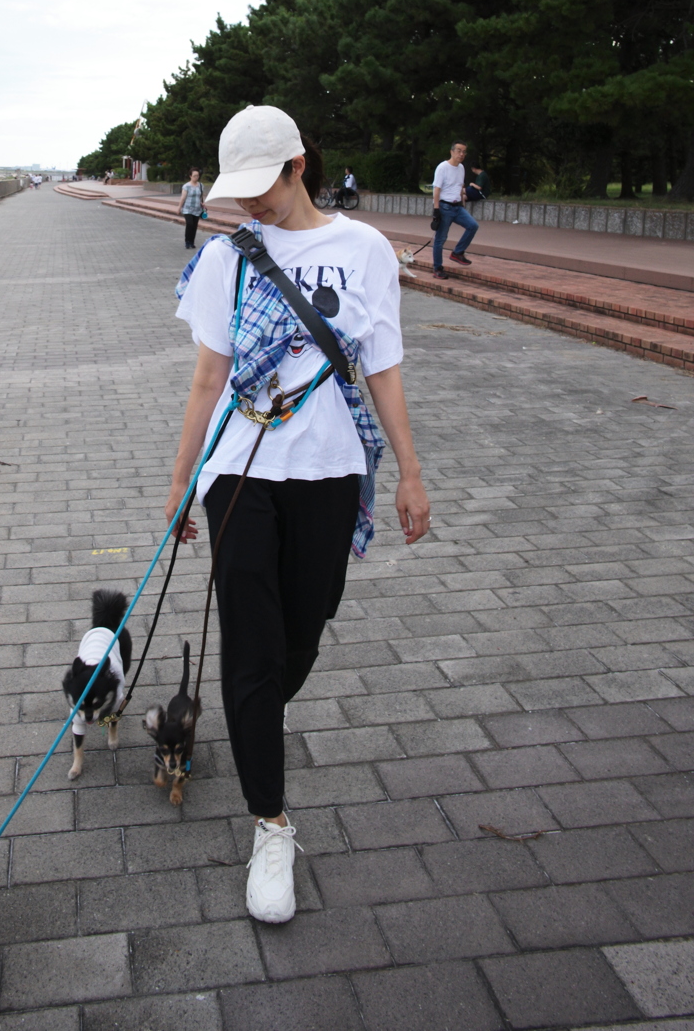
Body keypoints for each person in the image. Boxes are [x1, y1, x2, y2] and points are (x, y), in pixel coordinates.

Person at [168, 105, 430, 926]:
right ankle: (271, 823)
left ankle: (256, 712)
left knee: (303, 632)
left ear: (299, 166)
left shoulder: (363, 252)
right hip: (240, 474)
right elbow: (208, 381)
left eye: (264, 187)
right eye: (236, 191)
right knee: (251, 647)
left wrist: (411, 474)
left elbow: (380, 366)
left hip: (328, 472)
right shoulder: (225, 259)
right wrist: (181, 483)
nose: (251, 205)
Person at [432, 140, 479, 277]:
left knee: (472, 226)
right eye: (459, 151)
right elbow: (437, 189)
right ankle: (437, 268)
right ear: (452, 151)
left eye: (464, 151)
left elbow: (460, 187)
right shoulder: (443, 167)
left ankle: (458, 252)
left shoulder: (461, 168)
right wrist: (436, 210)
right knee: (440, 239)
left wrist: (462, 203)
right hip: (444, 207)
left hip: (457, 206)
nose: (461, 154)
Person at [177, 169, 204, 250]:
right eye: (194, 176)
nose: (196, 177)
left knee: (194, 226)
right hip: (187, 208)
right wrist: (179, 207)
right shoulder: (186, 186)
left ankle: (192, 242)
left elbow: (201, 196)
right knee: (189, 224)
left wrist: (202, 203)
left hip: (197, 209)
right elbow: (183, 197)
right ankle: (187, 241)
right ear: (190, 176)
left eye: (197, 176)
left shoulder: (201, 185)